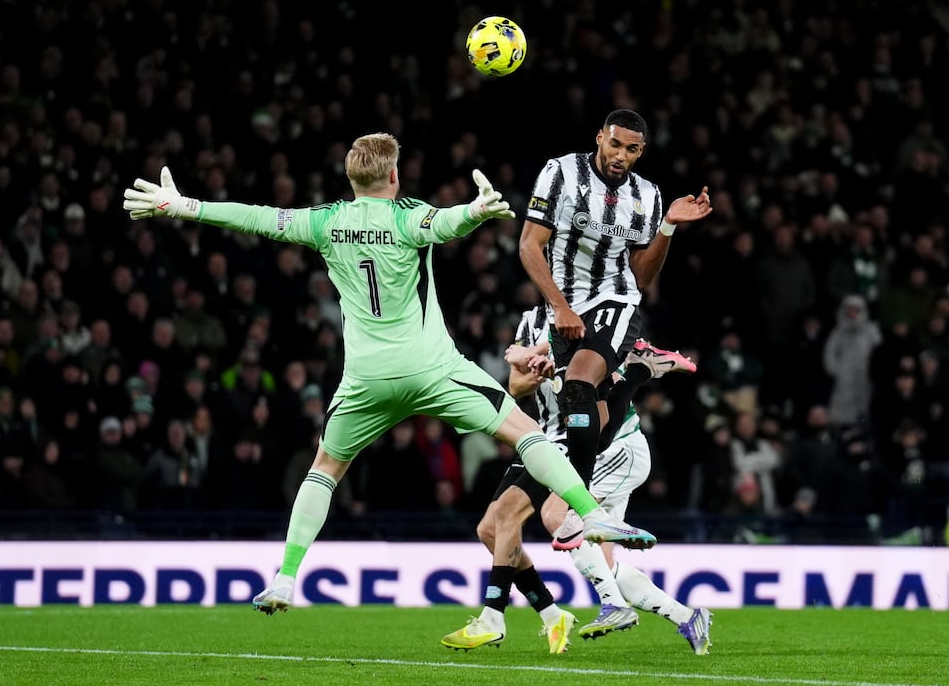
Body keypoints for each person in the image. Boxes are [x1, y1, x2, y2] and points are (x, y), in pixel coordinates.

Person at [123, 132, 641, 616]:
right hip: (431, 369)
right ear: (393, 178)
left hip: (366, 380)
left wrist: (184, 206)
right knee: (526, 434)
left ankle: (285, 576)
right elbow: (445, 223)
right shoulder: (405, 215)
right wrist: (478, 211)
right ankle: (589, 514)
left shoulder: (326, 221)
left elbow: (256, 218)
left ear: (352, 180)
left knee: (324, 469)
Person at [442, 305, 711, 654]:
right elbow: (516, 384)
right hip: (543, 439)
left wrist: (562, 368)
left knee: (544, 516)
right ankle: (683, 617)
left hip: (597, 445)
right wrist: (545, 369)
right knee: (491, 530)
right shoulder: (530, 321)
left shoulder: (592, 315)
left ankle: (499, 616)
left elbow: (603, 385)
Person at [518, 109, 713, 513]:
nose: (620, 155)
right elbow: (528, 245)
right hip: (566, 302)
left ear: (641, 152)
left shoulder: (648, 195)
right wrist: (560, 306)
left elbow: (641, 277)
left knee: (577, 383)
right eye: (615, 144)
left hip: (616, 299)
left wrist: (668, 226)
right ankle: (638, 372)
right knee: (593, 416)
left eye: (632, 149)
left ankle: (581, 507)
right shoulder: (560, 173)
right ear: (599, 138)